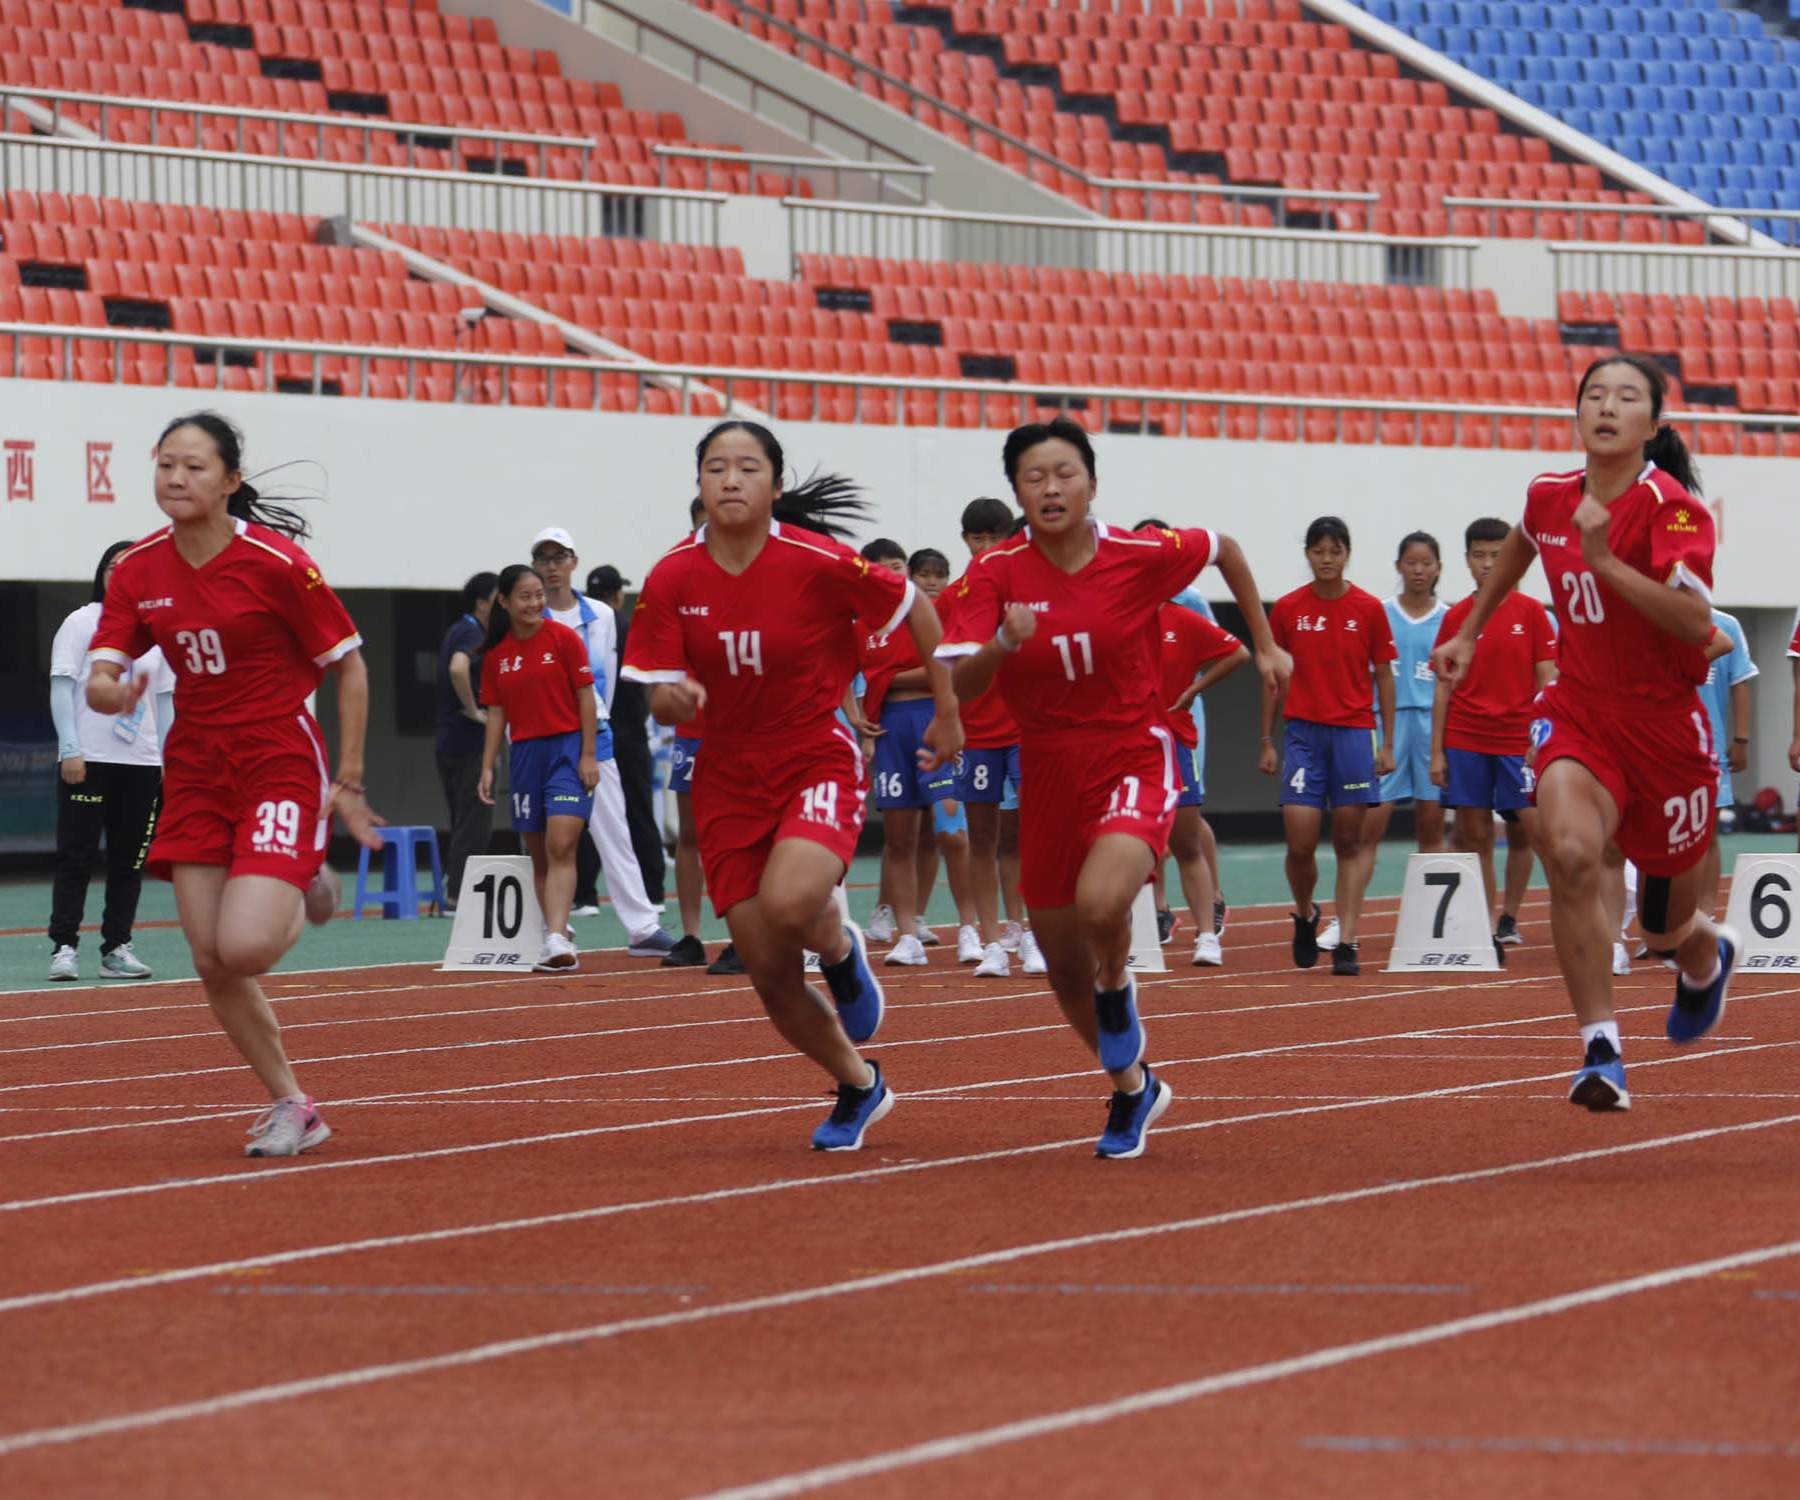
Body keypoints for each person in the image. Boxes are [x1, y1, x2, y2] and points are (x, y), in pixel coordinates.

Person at [941, 418, 1287, 1159]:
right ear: (1017, 495)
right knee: (1059, 960)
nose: (1051, 488)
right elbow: (962, 682)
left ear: (1092, 483)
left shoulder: (1138, 553)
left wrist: (1263, 643)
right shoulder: (993, 575)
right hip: (1048, 770)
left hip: (1134, 750)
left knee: (1103, 903)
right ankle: (1133, 1087)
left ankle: (1116, 978)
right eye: (1034, 478)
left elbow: (1223, 546)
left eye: (1065, 473)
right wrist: (1003, 642)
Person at [623, 420, 961, 1152]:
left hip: (815, 754)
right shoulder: (671, 577)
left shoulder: (819, 559)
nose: (732, 480)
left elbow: (919, 611)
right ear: (699, 483)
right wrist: (672, 700)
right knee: (768, 971)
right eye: (716, 468)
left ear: (775, 484)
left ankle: (839, 950)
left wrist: (949, 711)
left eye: (748, 467)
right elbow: (655, 687)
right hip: (725, 776)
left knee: (789, 903)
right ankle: (860, 1084)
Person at [1433, 354, 1738, 1114]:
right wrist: (1471, 629)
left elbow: (1697, 623)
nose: (1607, 406)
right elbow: (1522, 548)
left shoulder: (1673, 511)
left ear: (1653, 425)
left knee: (1666, 936)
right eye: (1595, 394)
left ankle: (1705, 955)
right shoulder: (1548, 495)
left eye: (1627, 397)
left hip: (1666, 730)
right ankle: (1601, 1046)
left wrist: (1602, 560)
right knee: (1567, 851)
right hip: (1580, 712)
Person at [87, 411, 382, 1158]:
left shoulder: (277, 563)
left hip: (277, 752)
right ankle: (294, 1104)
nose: (176, 479)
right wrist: (106, 688)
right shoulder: (140, 569)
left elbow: (349, 663)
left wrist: (346, 779)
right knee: (209, 956)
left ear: (229, 481)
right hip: (194, 766)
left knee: (244, 948)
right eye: (166, 466)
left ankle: (304, 870)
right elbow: (106, 666)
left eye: (193, 467)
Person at [529, 528, 674, 958]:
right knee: (546, 836)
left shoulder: (602, 616)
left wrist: (595, 726)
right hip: (544, 739)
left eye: (559, 557)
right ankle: (553, 926)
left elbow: (607, 678)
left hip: (595, 737)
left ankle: (643, 926)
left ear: (574, 561)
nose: (552, 567)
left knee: (615, 829)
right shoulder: (531, 618)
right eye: (544, 559)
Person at [1262, 517, 1397, 977]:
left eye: (1334, 551)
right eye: (1318, 551)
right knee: (1299, 840)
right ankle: (1304, 913)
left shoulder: (1369, 608)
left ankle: (1349, 938)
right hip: (1302, 734)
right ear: (1308, 554)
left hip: (1354, 733)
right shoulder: (1287, 609)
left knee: (1348, 839)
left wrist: (1389, 743)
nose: (1326, 559)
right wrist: (1266, 738)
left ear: (1347, 554)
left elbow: (1383, 675)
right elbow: (1273, 678)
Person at [47, 540, 175, 981]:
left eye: (131, 566)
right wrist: (70, 748)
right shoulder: (82, 623)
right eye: (113, 566)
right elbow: (62, 688)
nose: (121, 572)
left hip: (141, 765)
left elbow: (166, 702)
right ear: (102, 572)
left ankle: (117, 947)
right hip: (89, 759)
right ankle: (64, 947)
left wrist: (169, 761)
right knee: (76, 856)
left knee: (129, 861)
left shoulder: (158, 630)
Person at [1429, 517, 1558, 953]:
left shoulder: (1533, 614)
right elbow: (1443, 688)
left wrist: (1540, 742)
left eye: (1498, 556)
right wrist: (1437, 753)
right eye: (1480, 555)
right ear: (1466, 560)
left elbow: (1547, 681)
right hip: (1466, 738)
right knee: (1476, 834)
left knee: (1533, 833)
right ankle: (1485, 922)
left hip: (1518, 741)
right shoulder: (1455, 618)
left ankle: (1511, 916)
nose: (1488, 564)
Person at [476, 563, 600, 972]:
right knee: (538, 854)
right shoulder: (496, 654)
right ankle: (555, 928)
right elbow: (496, 713)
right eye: (525, 596)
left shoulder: (564, 639)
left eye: (539, 595)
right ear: (505, 602)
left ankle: (558, 939)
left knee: (561, 843)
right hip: (526, 756)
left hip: (566, 750)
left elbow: (586, 697)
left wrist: (587, 754)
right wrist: (489, 765)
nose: (535, 603)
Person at [937, 496, 1042, 979]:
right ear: (964, 540)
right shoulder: (953, 594)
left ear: (1010, 538)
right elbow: (941, 665)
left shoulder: (1028, 589)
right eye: (975, 539)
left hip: (1025, 727)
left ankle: (1032, 933)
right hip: (977, 731)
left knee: (1029, 832)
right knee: (982, 835)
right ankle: (992, 939)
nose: (984, 548)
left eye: (993, 538)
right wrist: (948, 718)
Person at [857, 540, 966, 967]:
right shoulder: (862, 624)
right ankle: (902, 924)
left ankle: (974, 929)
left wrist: (891, 678)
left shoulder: (931, 614)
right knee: (901, 834)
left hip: (935, 725)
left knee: (950, 831)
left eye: (899, 567)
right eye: (926, 575)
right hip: (889, 730)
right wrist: (859, 718)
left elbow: (950, 668)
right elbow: (856, 674)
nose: (930, 582)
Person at [1155, 585, 1248, 966]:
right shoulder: (1115, 616)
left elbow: (1237, 652)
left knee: (1186, 841)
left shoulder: (1183, 617)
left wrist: (1195, 688)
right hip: (1127, 745)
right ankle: (1137, 926)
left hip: (1175, 743)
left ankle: (1207, 935)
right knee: (1127, 845)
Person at [1357, 533, 1447, 892]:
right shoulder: (1379, 613)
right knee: (1368, 828)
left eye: (1426, 563)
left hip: (1431, 726)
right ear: (1398, 566)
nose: (1419, 570)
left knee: (1430, 828)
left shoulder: (1450, 619)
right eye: (1411, 563)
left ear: (1438, 568)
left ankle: (1429, 920)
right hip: (1386, 725)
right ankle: (1346, 921)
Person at [588, 561, 668, 911]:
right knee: (639, 811)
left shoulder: (584, 627)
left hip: (595, 733)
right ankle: (652, 892)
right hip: (631, 731)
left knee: (586, 811)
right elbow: (648, 680)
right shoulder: (627, 627)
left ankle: (583, 895)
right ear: (618, 595)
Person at [434, 571, 498, 912]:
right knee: (475, 821)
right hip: (469, 743)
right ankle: (459, 895)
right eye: (497, 598)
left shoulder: (456, 630)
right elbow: (459, 669)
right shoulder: (472, 633)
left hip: (447, 742)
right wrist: (473, 710)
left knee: (463, 819)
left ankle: (456, 890)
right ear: (481, 602)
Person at [1696, 606, 1756, 916]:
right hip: (1663, 745)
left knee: (1707, 835)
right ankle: (1664, 922)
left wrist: (1741, 739)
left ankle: (1705, 913)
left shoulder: (1726, 624)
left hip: (1712, 748)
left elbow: (1740, 682)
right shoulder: (1654, 619)